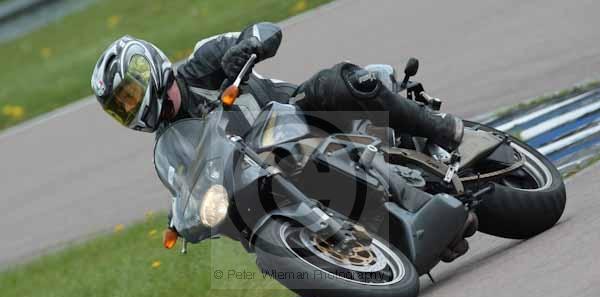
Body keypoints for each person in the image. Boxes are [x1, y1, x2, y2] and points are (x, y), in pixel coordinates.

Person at [91, 22, 464, 150]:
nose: (131, 107)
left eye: (129, 95)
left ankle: (439, 129)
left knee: (329, 84)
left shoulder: (202, 62)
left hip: (302, 115)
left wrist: (247, 48)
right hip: (267, 170)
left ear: (149, 70)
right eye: (121, 108)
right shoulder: (173, 145)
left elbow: (263, 30)